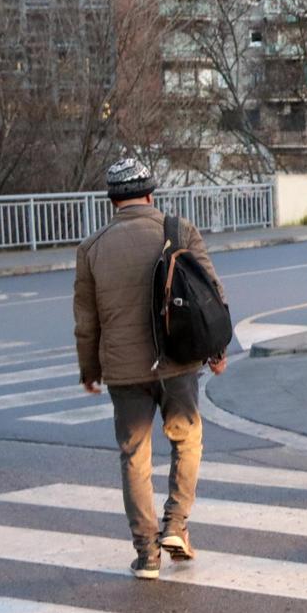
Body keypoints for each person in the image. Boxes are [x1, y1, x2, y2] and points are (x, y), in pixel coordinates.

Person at [73, 159, 228, 581]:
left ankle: (146, 554)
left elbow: (86, 322)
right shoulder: (178, 231)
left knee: (134, 456)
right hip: (178, 361)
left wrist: (89, 369)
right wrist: (216, 350)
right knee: (187, 440)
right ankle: (175, 525)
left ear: (112, 201)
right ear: (150, 195)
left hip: (123, 371)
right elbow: (211, 294)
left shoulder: (91, 248)